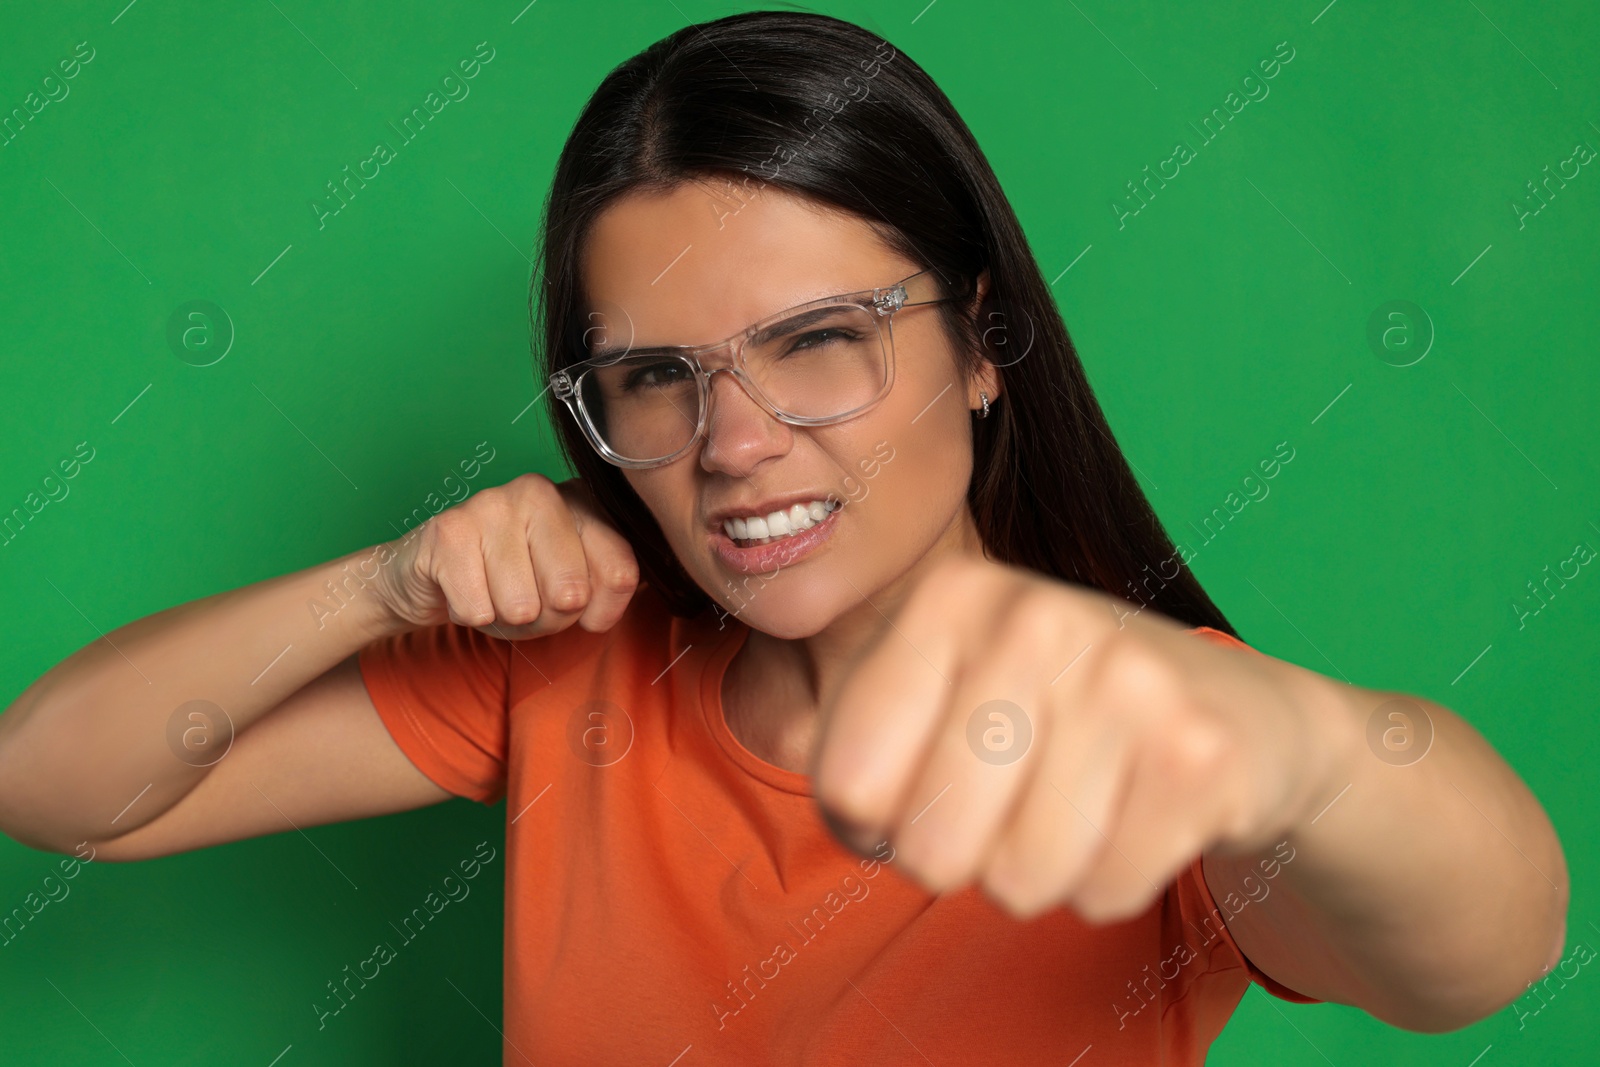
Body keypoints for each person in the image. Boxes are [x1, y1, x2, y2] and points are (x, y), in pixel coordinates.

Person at [0, 10, 1568, 1065]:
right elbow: (58, 785)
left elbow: (1487, 955)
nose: (736, 443)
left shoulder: (1145, 726)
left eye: (820, 339)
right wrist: (384, 582)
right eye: (657, 378)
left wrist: (1290, 756)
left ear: (981, 341)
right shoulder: (571, 673)